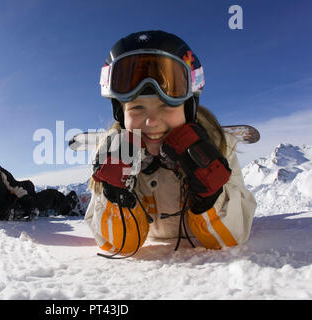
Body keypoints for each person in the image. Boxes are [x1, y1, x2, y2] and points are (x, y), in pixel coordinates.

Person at [84, 30, 257, 258]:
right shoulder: (112, 156)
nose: (151, 121)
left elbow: (234, 236)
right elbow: (117, 245)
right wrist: (114, 195)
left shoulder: (217, 147)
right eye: (136, 107)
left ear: (189, 107)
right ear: (120, 112)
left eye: (167, 105)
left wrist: (211, 197)